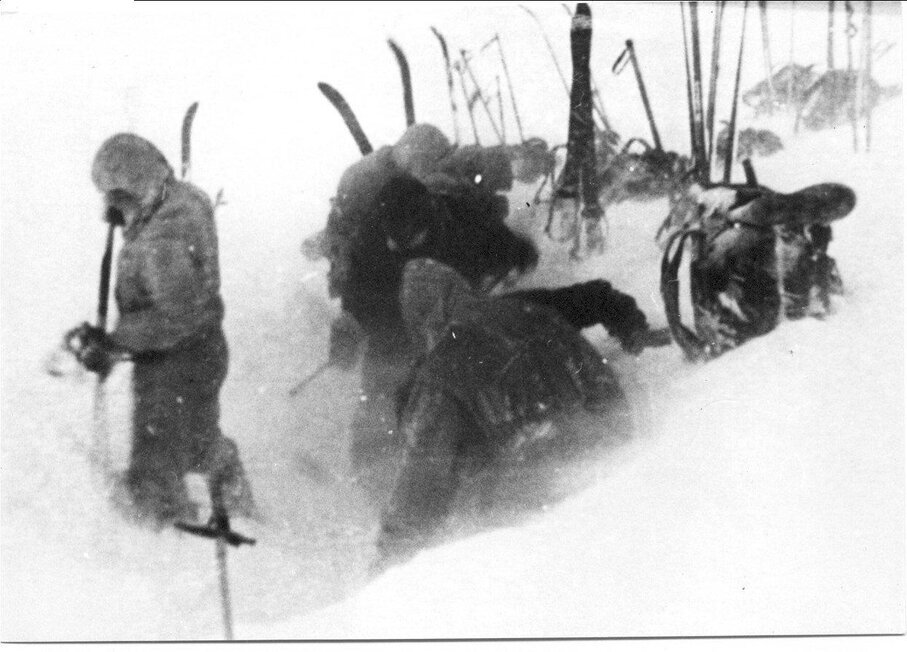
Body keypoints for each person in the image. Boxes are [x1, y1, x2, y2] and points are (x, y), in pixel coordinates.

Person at [374, 259, 636, 567]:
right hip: (611, 485)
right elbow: (602, 386)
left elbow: (422, 483)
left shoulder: (442, 371)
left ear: (420, 318)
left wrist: (389, 560)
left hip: (531, 519)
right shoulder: (533, 313)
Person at [70, 133, 254, 528]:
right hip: (204, 349)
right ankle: (233, 495)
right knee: (197, 436)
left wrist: (116, 342)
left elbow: (177, 315)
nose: (110, 207)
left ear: (134, 187)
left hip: (175, 360)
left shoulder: (162, 241)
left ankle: (162, 535)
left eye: (115, 196)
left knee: (155, 457)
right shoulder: (180, 200)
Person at [660, 180, 855, 360]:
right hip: (724, 243)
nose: (826, 222)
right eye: (825, 216)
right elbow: (712, 266)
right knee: (761, 323)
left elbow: (811, 264)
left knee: (764, 313)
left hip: (731, 230)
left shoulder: (796, 220)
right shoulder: (765, 218)